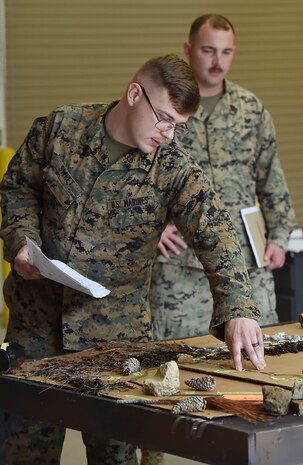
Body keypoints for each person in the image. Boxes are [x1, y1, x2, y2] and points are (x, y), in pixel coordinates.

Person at [0, 53, 265, 465]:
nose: (170, 134)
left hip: (116, 340)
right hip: (37, 330)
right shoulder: (59, 129)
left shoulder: (174, 169)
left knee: (117, 456)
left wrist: (238, 309)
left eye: (179, 126)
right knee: (25, 451)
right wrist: (22, 241)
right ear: (134, 93)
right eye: (164, 120)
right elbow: (18, 188)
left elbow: (218, 235)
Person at [150, 15, 297, 342]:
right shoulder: (164, 108)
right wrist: (152, 227)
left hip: (246, 263)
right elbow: (140, 178)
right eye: (208, 51)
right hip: (182, 267)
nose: (218, 62)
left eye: (226, 52)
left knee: (259, 356)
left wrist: (279, 237)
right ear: (188, 50)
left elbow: (271, 178)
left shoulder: (250, 109)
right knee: (179, 359)